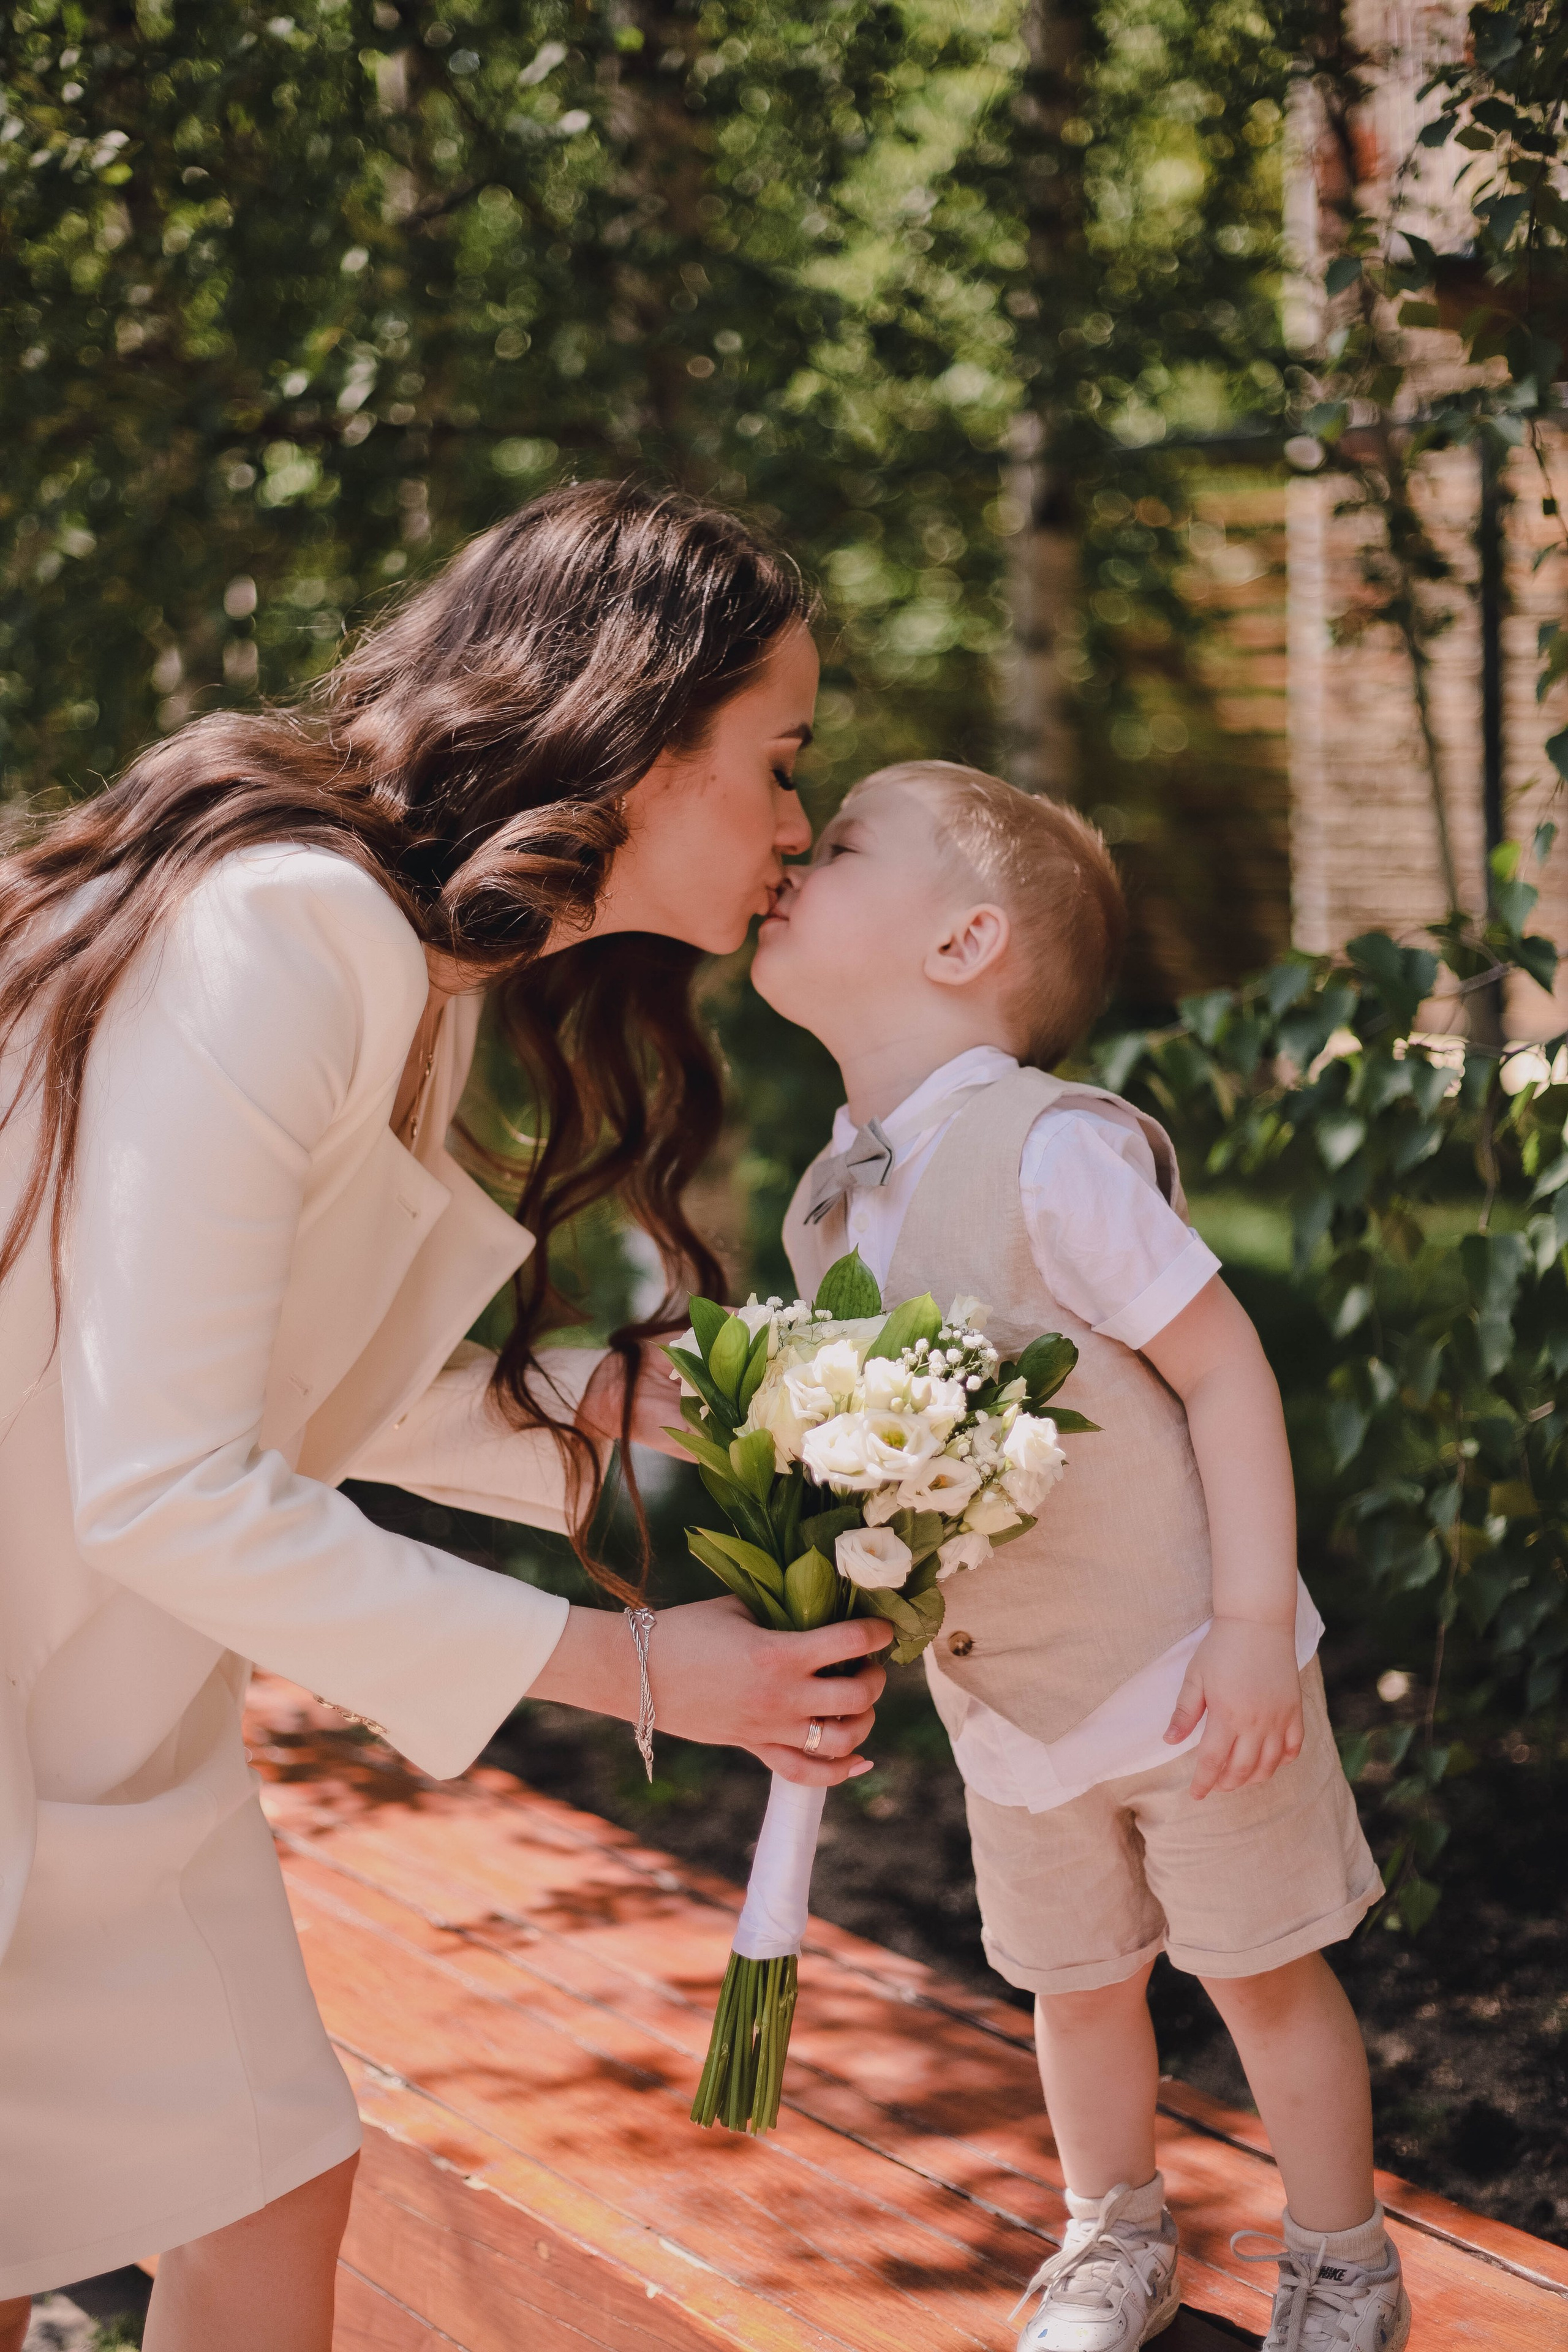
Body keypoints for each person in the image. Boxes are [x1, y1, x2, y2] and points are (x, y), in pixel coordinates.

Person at [0, 482, 891, 2352]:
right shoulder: (294, 930)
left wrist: (622, 1410)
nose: (801, 824)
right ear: (639, 738)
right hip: (41, 1695)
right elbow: (164, 1480)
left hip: (95, 1720)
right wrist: (643, 1669)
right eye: (784, 758)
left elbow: (285, 1383)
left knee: (259, 2181)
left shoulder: (422, 976)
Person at [750, 760, 1408, 2352]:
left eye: (838, 846)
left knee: (1263, 1973)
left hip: (1193, 1674)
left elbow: (1227, 1369)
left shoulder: (1052, 1153)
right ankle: (1114, 2237)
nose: (791, 854)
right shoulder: (826, 1216)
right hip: (1014, 1710)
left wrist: (1255, 1624)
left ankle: (1342, 2264)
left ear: (964, 941)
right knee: (1075, 1983)